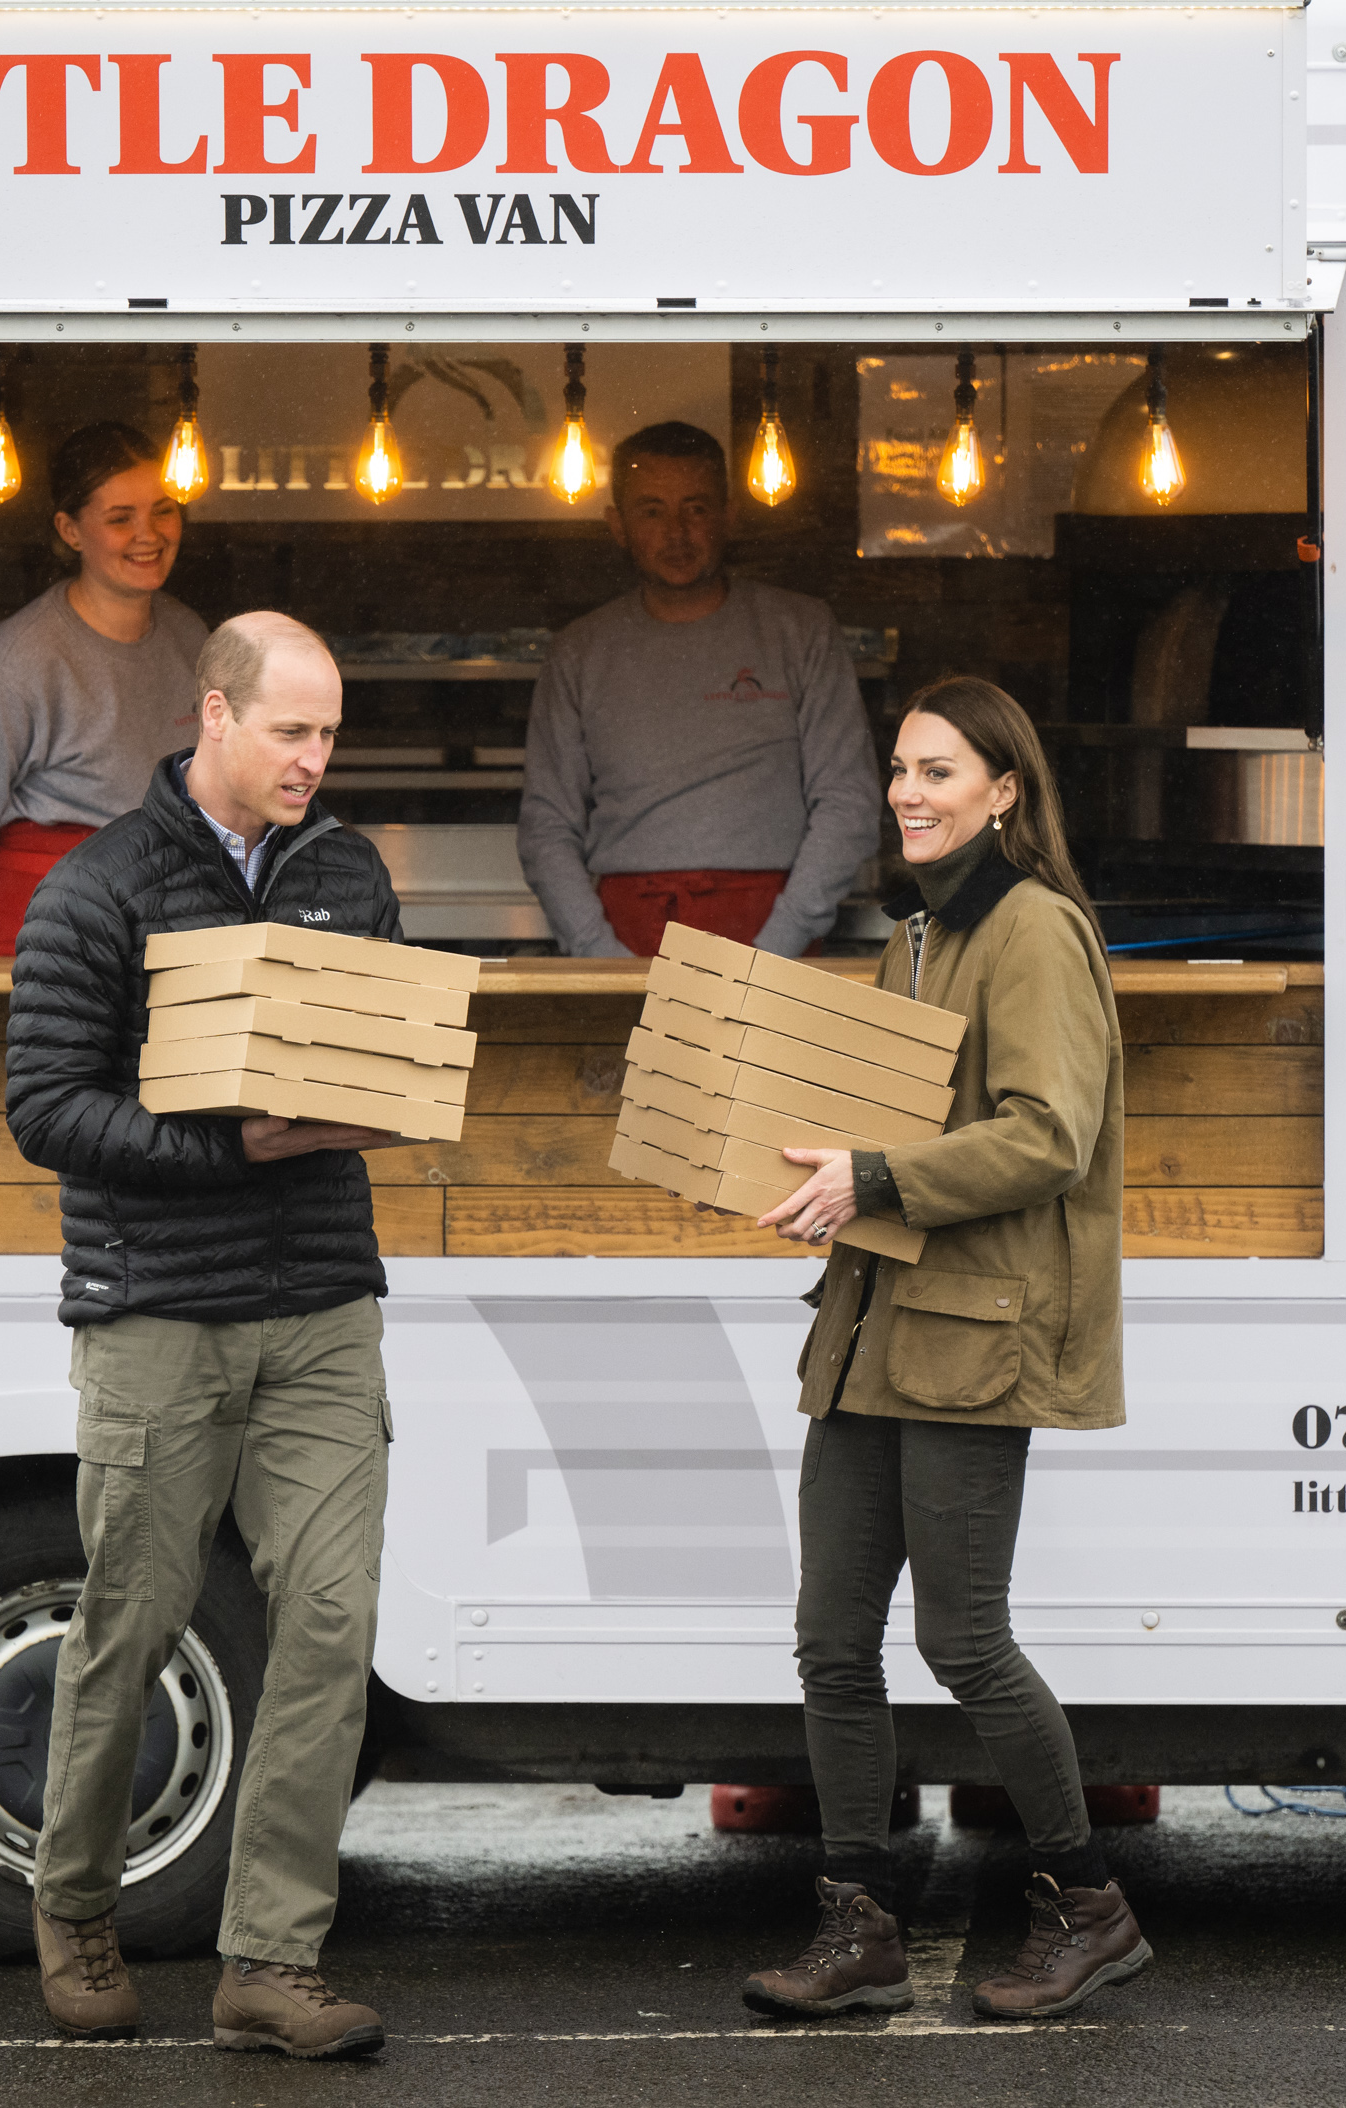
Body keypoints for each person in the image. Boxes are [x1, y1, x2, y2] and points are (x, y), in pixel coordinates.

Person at [3, 610, 405, 2061]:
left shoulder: (351, 875)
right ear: (214, 716)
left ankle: (271, 1961)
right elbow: (46, 1107)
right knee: (136, 1619)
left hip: (321, 1306)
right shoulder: (99, 886)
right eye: (293, 731)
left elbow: (374, 1068)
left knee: (333, 1618)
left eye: (330, 734)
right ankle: (77, 1908)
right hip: (157, 1311)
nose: (315, 760)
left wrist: (386, 1094)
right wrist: (227, 1150)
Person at [738, 676, 1150, 2024]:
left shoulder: (1033, 929)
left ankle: (1090, 1908)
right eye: (900, 770)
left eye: (940, 771)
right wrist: (809, 1173)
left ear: (1005, 790)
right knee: (831, 1640)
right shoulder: (911, 937)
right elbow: (883, 1133)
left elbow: (1049, 1135)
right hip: (872, 1333)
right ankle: (855, 1929)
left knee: (964, 1640)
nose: (911, 792)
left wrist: (872, 1178)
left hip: (974, 1333)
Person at [517, 421, 878, 959]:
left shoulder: (799, 630)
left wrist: (778, 945)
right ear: (617, 525)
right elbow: (547, 825)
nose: (677, 533)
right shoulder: (580, 651)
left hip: (774, 923)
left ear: (729, 517)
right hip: (627, 930)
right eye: (652, 511)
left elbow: (849, 802)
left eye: (697, 508)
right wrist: (600, 955)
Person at [0, 420, 207, 955]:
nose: (150, 534)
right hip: (42, 933)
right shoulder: (8, 668)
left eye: (164, 508)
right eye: (120, 518)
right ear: (70, 531)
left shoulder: (192, 639)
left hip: (163, 928)